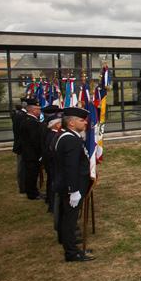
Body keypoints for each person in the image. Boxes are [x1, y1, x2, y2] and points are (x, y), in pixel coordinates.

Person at [54, 106, 95, 262]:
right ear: (71, 123)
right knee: (70, 221)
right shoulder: (70, 139)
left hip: (68, 185)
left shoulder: (67, 136)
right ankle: (71, 252)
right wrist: (74, 190)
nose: (85, 123)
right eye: (81, 120)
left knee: (68, 219)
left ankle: (70, 247)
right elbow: (70, 167)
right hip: (71, 187)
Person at [20, 98, 44, 200]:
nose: (40, 111)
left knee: (32, 173)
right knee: (32, 174)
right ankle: (32, 193)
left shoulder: (29, 120)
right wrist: (40, 153)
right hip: (32, 154)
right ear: (33, 110)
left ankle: (33, 191)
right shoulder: (31, 122)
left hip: (29, 153)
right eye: (38, 109)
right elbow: (35, 140)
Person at [11, 97, 28, 194]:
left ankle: (23, 186)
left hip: (21, 145)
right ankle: (23, 187)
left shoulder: (19, 114)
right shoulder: (21, 116)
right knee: (22, 168)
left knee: (23, 167)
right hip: (22, 146)